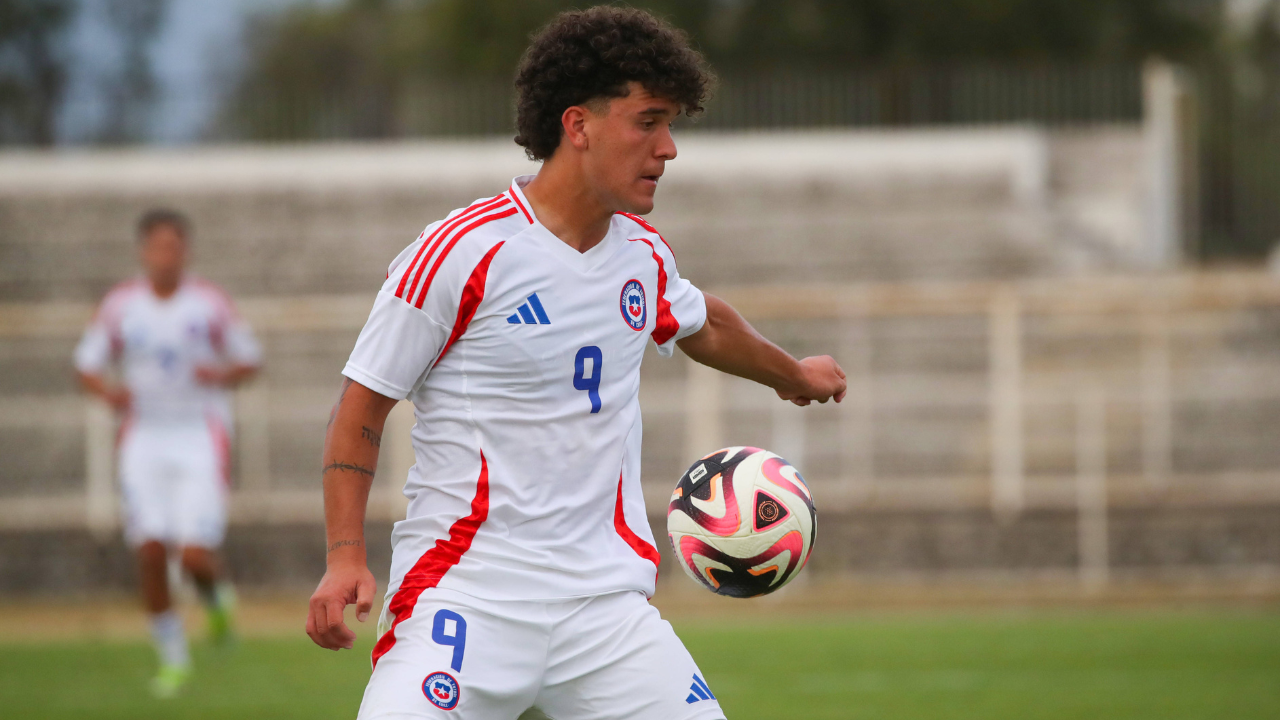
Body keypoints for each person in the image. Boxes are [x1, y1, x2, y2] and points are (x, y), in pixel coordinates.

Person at [306, 7, 846, 719]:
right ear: (578, 125)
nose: (669, 148)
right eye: (648, 121)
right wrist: (345, 557)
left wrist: (794, 375)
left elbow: (702, 322)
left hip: (604, 612)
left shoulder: (643, 257)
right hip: (469, 598)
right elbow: (361, 410)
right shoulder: (463, 252)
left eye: (672, 123)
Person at [75, 209, 262, 697]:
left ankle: (215, 595)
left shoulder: (209, 304)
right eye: (157, 247)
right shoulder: (121, 306)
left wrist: (220, 376)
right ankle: (173, 659)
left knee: (194, 554)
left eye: (174, 247)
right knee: (151, 549)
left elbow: (249, 360)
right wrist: (108, 392)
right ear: (143, 252)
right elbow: (87, 364)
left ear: (186, 251)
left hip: (198, 434)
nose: (166, 256)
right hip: (143, 437)